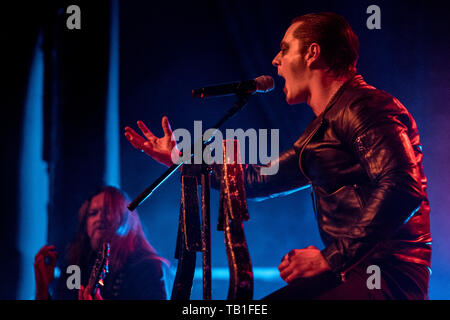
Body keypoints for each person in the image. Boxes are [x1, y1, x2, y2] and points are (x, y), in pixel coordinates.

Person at [124, 12, 431, 299]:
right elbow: (253, 180)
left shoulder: (364, 107)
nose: (276, 60)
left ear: (312, 53)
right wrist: (181, 158)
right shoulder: (324, 127)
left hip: (386, 277)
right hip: (354, 270)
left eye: (285, 49)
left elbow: (402, 188)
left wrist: (329, 257)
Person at [34, 186, 168, 300]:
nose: (99, 218)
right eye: (93, 213)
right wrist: (42, 288)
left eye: (107, 211)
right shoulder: (77, 266)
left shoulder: (148, 267)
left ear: (126, 219)